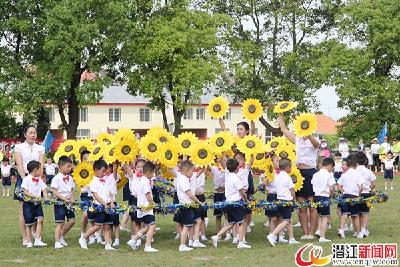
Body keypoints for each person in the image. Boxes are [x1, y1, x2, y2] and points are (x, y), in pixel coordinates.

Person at [278, 113, 319, 240]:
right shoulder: (297, 139)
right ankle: (305, 233)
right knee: (301, 206)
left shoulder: (315, 139)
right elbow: (284, 129)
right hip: (299, 174)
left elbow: (316, 144)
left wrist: (309, 134)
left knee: (312, 205)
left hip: (311, 172)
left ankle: (311, 233)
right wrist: (281, 113)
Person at [14, 125, 45, 246]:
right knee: (23, 209)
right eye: (30, 132)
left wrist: (37, 178)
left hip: (37, 180)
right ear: (25, 134)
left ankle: (37, 236)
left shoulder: (40, 148)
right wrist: (25, 179)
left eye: (35, 133)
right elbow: (19, 165)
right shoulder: (19, 147)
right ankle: (25, 238)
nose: (33, 135)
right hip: (24, 179)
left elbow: (41, 165)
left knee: (37, 207)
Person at [211, 158, 251, 249]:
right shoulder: (235, 178)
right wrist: (245, 199)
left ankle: (216, 236)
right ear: (237, 168)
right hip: (236, 203)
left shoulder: (228, 177)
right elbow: (242, 191)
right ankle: (240, 242)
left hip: (228, 203)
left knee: (231, 223)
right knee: (241, 222)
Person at [79, 160, 115, 250]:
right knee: (98, 225)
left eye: (105, 171)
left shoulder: (105, 180)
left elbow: (110, 193)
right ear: (96, 170)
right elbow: (95, 195)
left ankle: (107, 245)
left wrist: (111, 202)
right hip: (99, 206)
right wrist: (103, 204)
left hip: (107, 206)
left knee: (107, 226)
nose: (105, 173)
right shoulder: (93, 182)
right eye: (103, 171)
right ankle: (83, 238)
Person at [266, 158, 300, 246]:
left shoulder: (277, 177)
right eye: (291, 167)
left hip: (279, 199)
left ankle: (291, 238)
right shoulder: (287, 177)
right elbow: (292, 190)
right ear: (288, 167)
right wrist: (294, 199)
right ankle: (273, 235)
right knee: (286, 220)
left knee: (289, 220)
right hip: (286, 200)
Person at [127, 162, 159, 252]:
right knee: (152, 225)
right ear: (148, 172)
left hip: (142, 207)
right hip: (146, 207)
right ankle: (147, 246)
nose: (153, 175)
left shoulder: (142, 180)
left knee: (147, 227)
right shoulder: (145, 182)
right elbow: (148, 194)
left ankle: (133, 240)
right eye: (152, 173)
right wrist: (153, 203)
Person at [175, 160, 206, 252]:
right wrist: (198, 202)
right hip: (186, 205)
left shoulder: (187, 177)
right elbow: (190, 194)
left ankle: (196, 240)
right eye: (192, 171)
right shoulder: (183, 180)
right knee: (187, 225)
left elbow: (198, 173)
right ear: (187, 170)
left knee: (199, 220)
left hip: (191, 204)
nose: (193, 173)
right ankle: (182, 245)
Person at [50, 156, 76, 249]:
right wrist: (63, 198)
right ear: (60, 166)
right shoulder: (56, 178)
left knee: (72, 221)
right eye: (68, 166)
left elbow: (71, 190)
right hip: (59, 202)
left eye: (70, 166)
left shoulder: (70, 178)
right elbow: (54, 191)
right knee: (60, 223)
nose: (70, 168)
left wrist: (72, 199)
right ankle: (57, 242)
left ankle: (61, 236)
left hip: (68, 203)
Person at [21, 160, 48, 248]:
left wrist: (46, 197)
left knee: (40, 219)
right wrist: (34, 196)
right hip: (28, 204)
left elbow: (44, 189)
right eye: (40, 169)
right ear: (35, 170)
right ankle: (29, 242)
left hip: (38, 204)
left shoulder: (39, 179)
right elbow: (25, 191)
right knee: (28, 224)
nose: (41, 171)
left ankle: (37, 239)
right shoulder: (26, 179)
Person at [337, 154, 363, 239]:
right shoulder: (358, 174)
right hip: (354, 196)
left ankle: (341, 230)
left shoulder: (344, 174)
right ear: (356, 165)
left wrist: (343, 191)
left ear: (347, 165)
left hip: (345, 196)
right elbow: (361, 186)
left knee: (344, 214)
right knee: (355, 216)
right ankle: (357, 232)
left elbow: (339, 185)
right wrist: (359, 194)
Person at [311, 158, 336, 243]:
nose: (331, 169)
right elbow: (332, 187)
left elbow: (312, 185)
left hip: (316, 197)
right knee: (325, 217)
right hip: (324, 196)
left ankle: (319, 230)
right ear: (330, 165)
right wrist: (331, 194)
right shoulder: (329, 175)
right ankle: (322, 237)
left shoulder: (315, 174)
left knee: (320, 215)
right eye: (331, 167)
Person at [264, 154, 287, 243]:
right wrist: (266, 180)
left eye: (279, 160)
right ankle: (272, 234)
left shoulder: (282, 173)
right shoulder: (269, 173)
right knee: (273, 218)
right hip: (272, 196)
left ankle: (280, 236)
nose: (279, 162)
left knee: (280, 217)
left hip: (280, 196)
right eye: (277, 161)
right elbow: (264, 185)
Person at [355, 151, 376, 238]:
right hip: (366, 194)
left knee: (358, 213)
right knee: (365, 213)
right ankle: (364, 230)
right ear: (365, 161)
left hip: (355, 194)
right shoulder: (368, 171)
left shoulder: (354, 171)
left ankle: (359, 230)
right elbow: (374, 183)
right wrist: (369, 188)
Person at [79, 150, 96, 245]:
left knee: (92, 216)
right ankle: (83, 232)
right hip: (85, 195)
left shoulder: (95, 170)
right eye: (85, 159)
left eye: (89, 159)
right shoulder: (80, 171)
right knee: (86, 215)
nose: (88, 161)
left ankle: (92, 235)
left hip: (93, 195)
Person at [210, 157, 227, 235]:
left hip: (225, 193)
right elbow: (206, 167)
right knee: (218, 215)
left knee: (227, 214)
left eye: (224, 160)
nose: (221, 161)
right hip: (217, 194)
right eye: (220, 159)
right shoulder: (214, 168)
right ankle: (218, 233)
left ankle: (228, 233)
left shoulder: (228, 169)